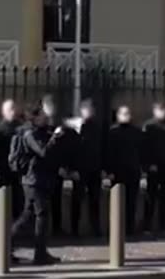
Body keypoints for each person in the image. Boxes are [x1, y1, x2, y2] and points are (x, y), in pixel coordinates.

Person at [10, 104, 64, 265]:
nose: (46, 118)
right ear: (35, 117)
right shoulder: (29, 134)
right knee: (40, 216)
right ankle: (39, 254)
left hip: (39, 179)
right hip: (33, 180)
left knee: (28, 216)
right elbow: (43, 152)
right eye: (42, 116)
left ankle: (8, 247)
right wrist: (54, 137)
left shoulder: (40, 132)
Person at [141, 102, 165, 236]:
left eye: (164, 110)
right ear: (154, 111)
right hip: (154, 167)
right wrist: (148, 164)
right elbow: (145, 147)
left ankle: (163, 223)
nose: (163, 112)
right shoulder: (149, 126)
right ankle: (147, 224)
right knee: (150, 196)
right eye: (160, 110)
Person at [69, 99, 105, 237]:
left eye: (92, 109)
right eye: (87, 109)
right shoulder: (76, 127)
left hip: (94, 168)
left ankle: (95, 228)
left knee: (94, 199)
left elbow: (102, 148)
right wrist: (72, 169)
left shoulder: (97, 127)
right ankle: (74, 229)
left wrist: (102, 168)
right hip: (79, 169)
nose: (90, 111)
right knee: (77, 199)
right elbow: (71, 149)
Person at [106, 105, 143, 235]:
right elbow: (109, 153)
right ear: (118, 115)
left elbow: (141, 151)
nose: (126, 116)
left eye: (128, 113)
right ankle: (116, 228)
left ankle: (129, 228)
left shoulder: (137, 132)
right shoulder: (113, 132)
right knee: (117, 202)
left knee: (131, 202)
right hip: (117, 172)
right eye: (123, 113)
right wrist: (109, 170)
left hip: (133, 171)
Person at [0, 100, 24, 219]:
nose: (13, 112)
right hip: (3, 169)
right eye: (10, 109)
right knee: (3, 201)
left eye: (14, 108)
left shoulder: (22, 128)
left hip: (19, 170)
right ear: (4, 111)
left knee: (19, 201)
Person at [40, 95, 64, 236]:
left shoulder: (57, 123)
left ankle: (57, 227)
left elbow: (62, 147)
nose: (51, 109)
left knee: (57, 200)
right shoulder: (42, 123)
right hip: (43, 168)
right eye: (48, 106)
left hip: (56, 168)